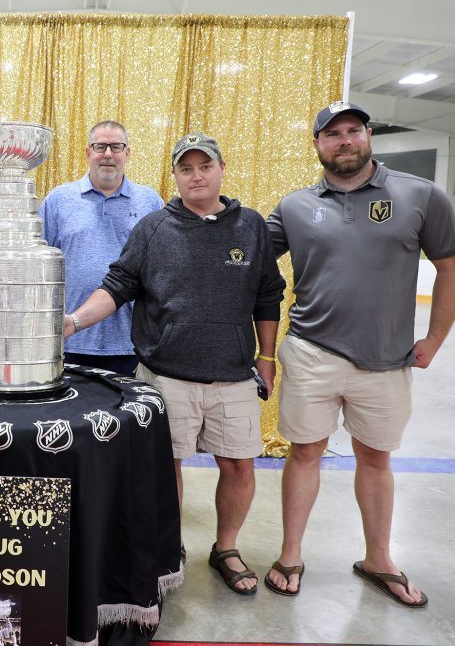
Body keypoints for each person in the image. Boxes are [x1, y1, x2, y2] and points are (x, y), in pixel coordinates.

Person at [264, 102, 455, 607]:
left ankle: (379, 557)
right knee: (305, 452)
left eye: (354, 130)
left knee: (376, 459)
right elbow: (240, 257)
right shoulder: (293, 206)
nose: (345, 140)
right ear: (317, 145)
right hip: (312, 353)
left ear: (369, 135)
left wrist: (435, 339)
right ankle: (291, 554)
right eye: (333, 134)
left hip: (386, 359)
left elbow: (452, 267)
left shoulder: (420, 195)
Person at [65, 132, 285, 595]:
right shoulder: (153, 228)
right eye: (186, 168)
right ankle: (171, 545)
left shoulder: (251, 228)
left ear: (222, 170)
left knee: (241, 467)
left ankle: (226, 548)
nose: (196, 175)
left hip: (233, 375)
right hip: (166, 376)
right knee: (167, 468)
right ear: (176, 176)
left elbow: (268, 297)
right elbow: (118, 285)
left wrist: (267, 357)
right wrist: (73, 322)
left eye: (205, 166)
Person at [39, 120, 164, 375]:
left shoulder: (150, 201)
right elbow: (40, 268)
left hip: (133, 346)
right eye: (100, 146)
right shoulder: (59, 200)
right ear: (88, 153)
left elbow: (163, 271)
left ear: (127, 153)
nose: (108, 154)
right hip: (69, 340)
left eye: (116, 147)